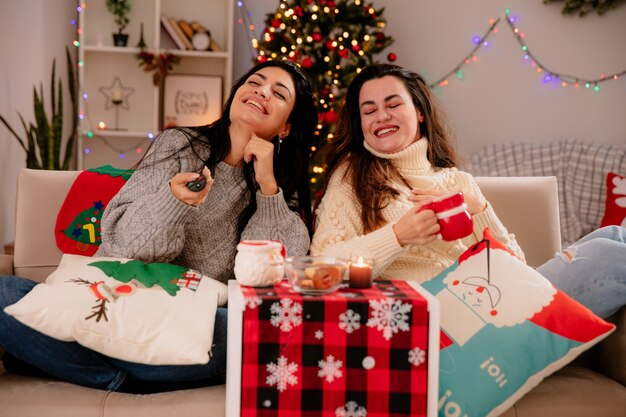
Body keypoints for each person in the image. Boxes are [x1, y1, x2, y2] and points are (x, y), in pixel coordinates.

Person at [0, 59, 317, 392]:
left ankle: (66, 359)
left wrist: (267, 187)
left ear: (286, 128)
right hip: (116, 301)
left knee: (248, 327)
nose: (261, 91)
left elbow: (268, 278)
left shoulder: (281, 190)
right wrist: (173, 202)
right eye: (255, 81)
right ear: (238, 92)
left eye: (278, 93)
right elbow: (124, 245)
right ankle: (116, 378)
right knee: (5, 292)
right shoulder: (179, 144)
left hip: (183, 323)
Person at [310, 63, 625, 319]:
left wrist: (478, 209)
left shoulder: (457, 181)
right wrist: (399, 235)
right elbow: (324, 266)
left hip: (496, 301)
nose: (381, 116)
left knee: (612, 236)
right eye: (369, 110)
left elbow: (517, 266)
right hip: (449, 319)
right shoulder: (353, 175)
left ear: (419, 112)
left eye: (393, 104)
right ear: (361, 122)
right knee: (607, 254)